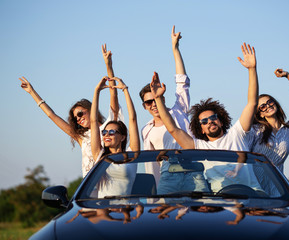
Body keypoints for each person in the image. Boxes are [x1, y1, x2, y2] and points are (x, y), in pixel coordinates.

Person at [150, 42, 259, 192]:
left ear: (220, 121)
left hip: (254, 195)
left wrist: (252, 69)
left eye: (213, 118)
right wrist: (157, 99)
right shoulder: (200, 147)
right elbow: (174, 130)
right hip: (219, 201)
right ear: (200, 129)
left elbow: (252, 103)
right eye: (204, 121)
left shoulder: (237, 134)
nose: (210, 122)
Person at [18, 44, 123, 178]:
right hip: (89, 186)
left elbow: (113, 94)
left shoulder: (109, 128)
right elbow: (52, 116)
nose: (78, 119)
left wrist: (109, 66)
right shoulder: (81, 137)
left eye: (80, 114)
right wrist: (32, 92)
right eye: (75, 118)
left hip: (111, 180)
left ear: (91, 110)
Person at [139, 26, 192, 184]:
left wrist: (175, 49)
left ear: (163, 98)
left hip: (191, 173)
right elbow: (152, 165)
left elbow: (182, 82)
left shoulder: (179, 111)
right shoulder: (146, 131)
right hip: (166, 181)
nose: (153, 104)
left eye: (156, 99)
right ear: (144, 106)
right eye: (149, 102)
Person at [248, 68, 289, 173]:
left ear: (275, 103)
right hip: (254, 184)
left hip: (277, 186)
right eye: (262, 106)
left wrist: (288, 76)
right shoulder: (255, 130)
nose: (268, 106)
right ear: (260, 114)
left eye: (270, 102)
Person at [91, 76, 140, 197]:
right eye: (105, 132)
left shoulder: (131, 155)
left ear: (123, 137)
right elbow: (93, 121)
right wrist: (97, 91)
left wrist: (125, 90)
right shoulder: (100, 156)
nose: (107, 135)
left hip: (125, 211)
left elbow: (133, 119)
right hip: (103, 210)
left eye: (112, 132)